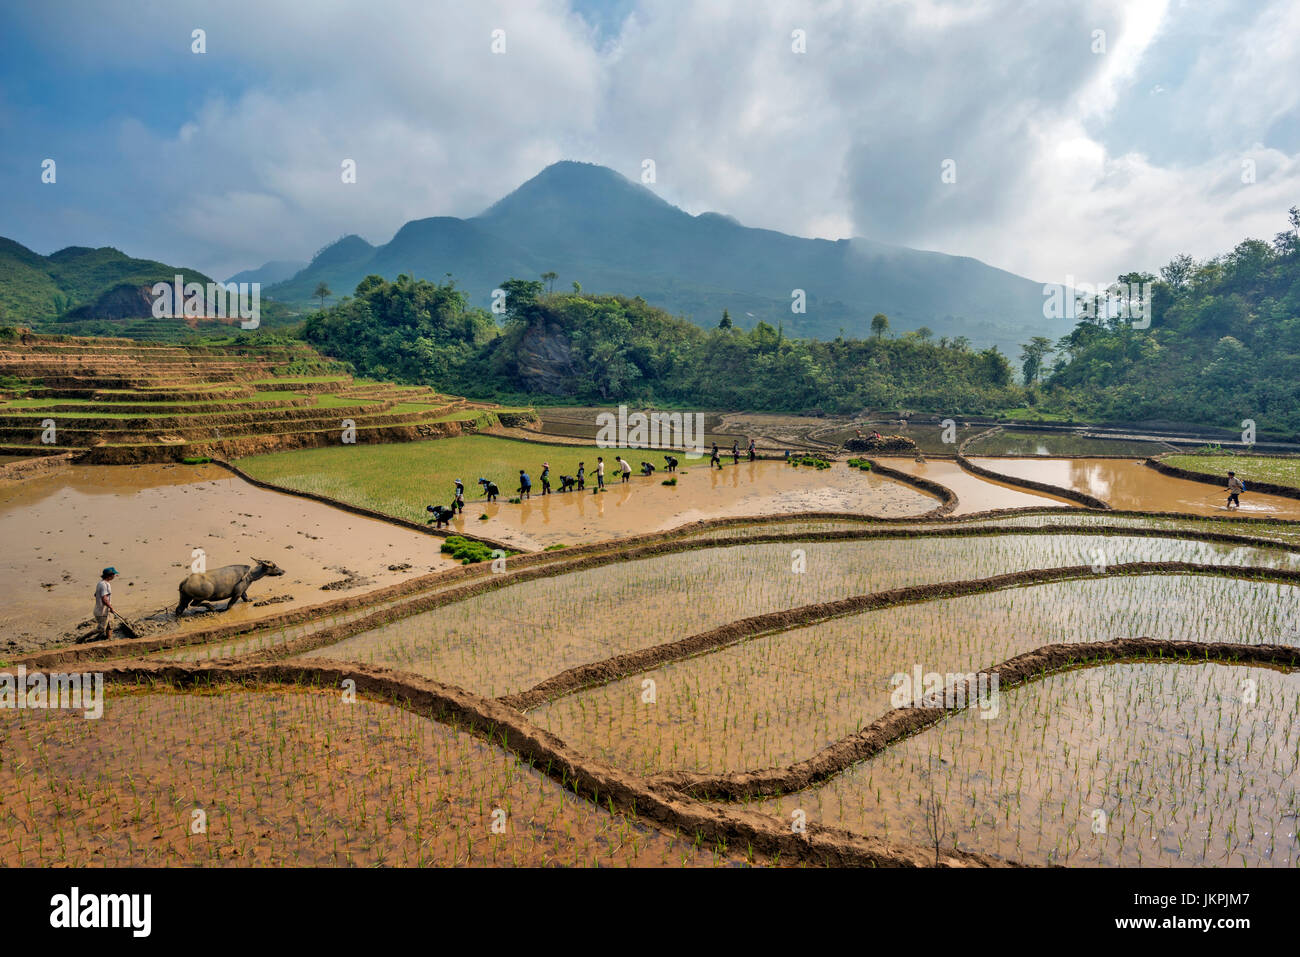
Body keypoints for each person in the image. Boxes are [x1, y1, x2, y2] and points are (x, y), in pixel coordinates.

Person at [93, 567, 118, 639]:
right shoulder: (104, 585)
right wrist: (111, 607)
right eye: (113, 574)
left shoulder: (100, 583)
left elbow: (95, 594)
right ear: (109, 575)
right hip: (102, 611)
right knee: (101, 628)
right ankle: (82, 638)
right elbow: (104, 598)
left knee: (110, 625)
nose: (114, 576)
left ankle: (109, 639)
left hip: (106, 609)